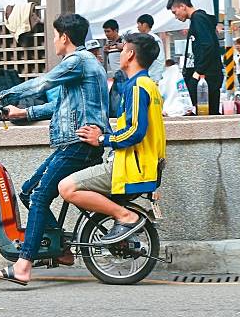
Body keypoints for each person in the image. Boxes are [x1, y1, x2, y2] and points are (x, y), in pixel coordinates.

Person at [0, 13, 110, 286]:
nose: (53, 41)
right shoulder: (83, 64)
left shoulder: (77, 61)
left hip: (77, 145)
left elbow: (40, 83)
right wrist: (22, 113)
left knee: (41, 195)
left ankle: (23, 265)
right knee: (29, 192)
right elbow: (62, 106)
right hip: (71, 144)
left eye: (55, 36)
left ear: (64, 37)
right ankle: (63, 251)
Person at [59, 32, 166, 242]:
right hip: (144, 165)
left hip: (130, 168)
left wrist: (101, 139)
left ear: (131, 55)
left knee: (66, 187)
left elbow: (135, 131)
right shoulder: (149, 85)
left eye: (123, 49)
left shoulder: (136, 87)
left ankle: (125, 216)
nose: (119, 54)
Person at [167, 0, 223, 115]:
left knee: (207, 114)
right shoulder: (198, 19)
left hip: (206, 77)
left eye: (174, 12)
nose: (176, 17)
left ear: (182, 6)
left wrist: (198, 72)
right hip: (206, 75)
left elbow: (208, 46)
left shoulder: (198, 19)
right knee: (206, 113)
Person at [136, 14, 165, 82]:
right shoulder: (148, 38)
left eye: (139, 24)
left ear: (145, 25)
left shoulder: (152, 39)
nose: (137, 27)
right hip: (152, 74)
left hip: (154, 74)